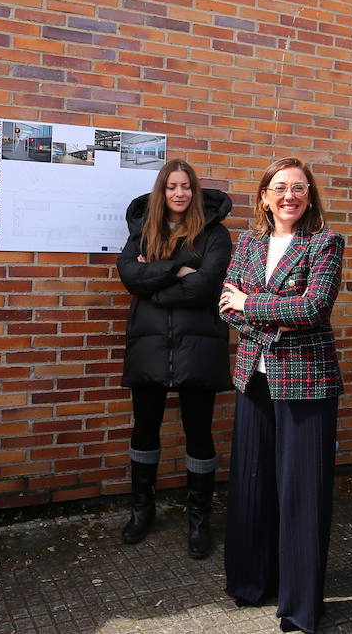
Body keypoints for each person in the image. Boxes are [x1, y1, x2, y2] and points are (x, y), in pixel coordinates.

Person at [218, 157, 345, 634]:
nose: (289, 195)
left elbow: (313, 306)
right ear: (264, 197)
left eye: (299, 187)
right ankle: (251, 582)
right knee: (251, 484)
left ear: (309, 196)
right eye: (279, 187)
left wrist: (252, 303)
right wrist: (276, 316)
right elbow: (224, 306)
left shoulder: (324, 242)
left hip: (307, 381)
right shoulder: (248, 243)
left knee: (302, 494)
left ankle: (301, 607)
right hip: (253, 376)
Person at [115, 159, 234, 559]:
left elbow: (206, 286)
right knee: (144, 431)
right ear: (161, 192)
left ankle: (199, 520)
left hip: (198, 349)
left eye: (186, 187)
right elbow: (129, 274)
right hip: (149, 346)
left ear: (194, 191)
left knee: (198, 434)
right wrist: (178, 270)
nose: (179, 194)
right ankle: (141, 509)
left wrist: (155, 282)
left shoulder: (215, 235)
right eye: (171, 187)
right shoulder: (142, 230)